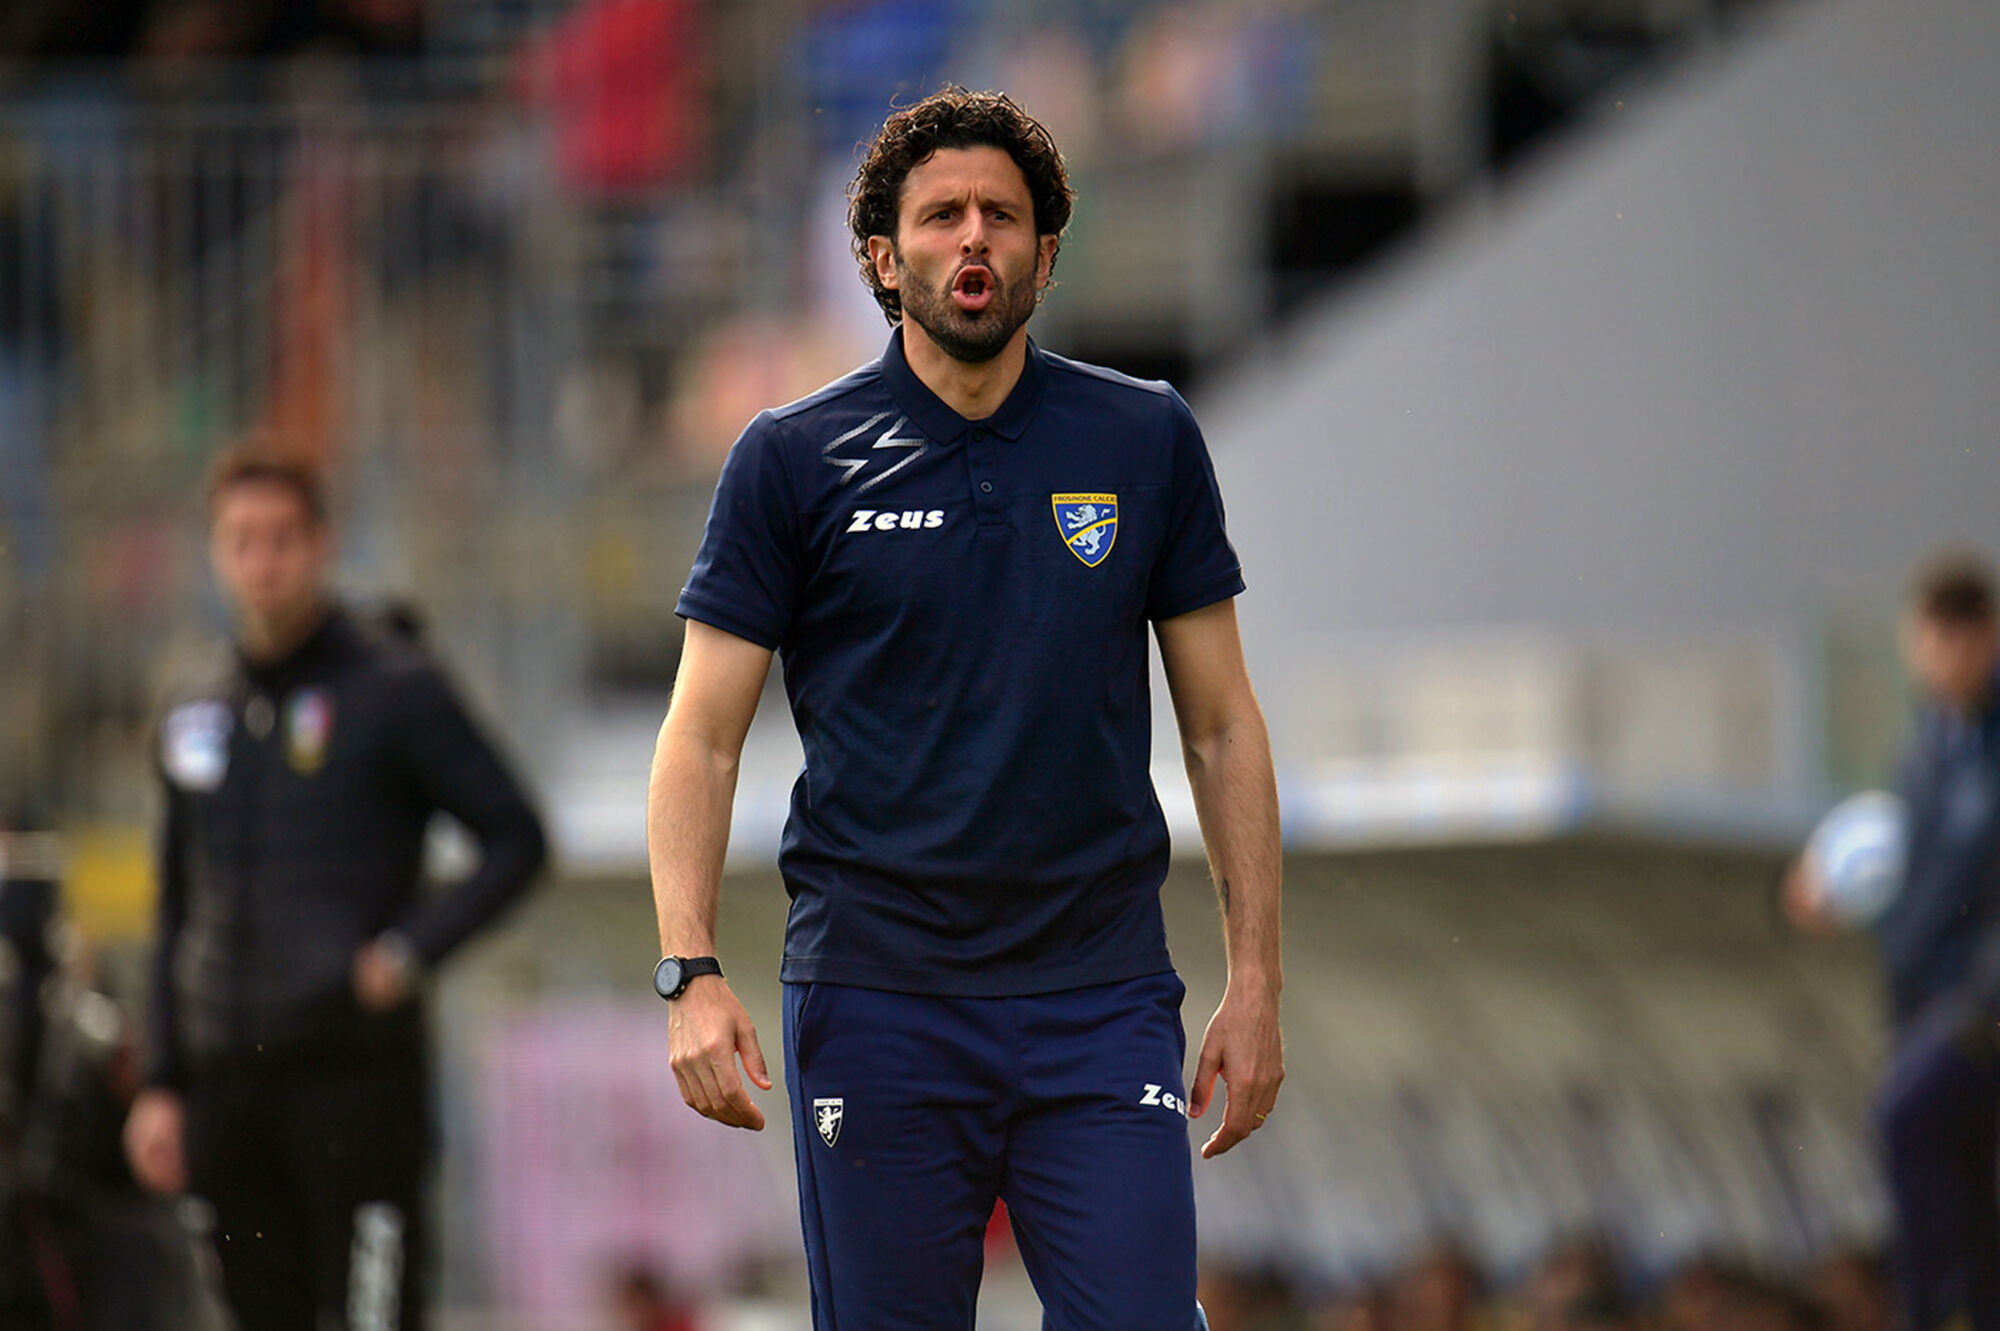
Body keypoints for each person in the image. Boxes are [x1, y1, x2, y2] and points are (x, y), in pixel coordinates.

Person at [646, 88, 1283, 1330]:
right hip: (876, 996)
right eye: (940, 215)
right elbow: (700, 735)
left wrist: (1255, 979)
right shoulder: (792, 457)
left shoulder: (1144, 436)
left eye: (1001, 213)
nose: (973, 236)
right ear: (884, 259)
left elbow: (1220, 726)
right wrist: (689, 970)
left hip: (1099, 992)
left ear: (1045, 253)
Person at [123, 443, 547, 1331]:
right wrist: (161, 1081)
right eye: (242, 540)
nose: (263, 562)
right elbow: (173, 905)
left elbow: (518, 838)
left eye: (282, 538)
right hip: (226, 1091)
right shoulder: (194, 704)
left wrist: (405, 953)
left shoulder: (394, 686)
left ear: (322, 544)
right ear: (214, 552)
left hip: (356, 1085)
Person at [1785, 549, 2000, 1331]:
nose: (1942, 653)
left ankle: (1935, 1311)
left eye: (1958, 634)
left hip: (1980, 1009)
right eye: (1930, 636)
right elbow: (1908, 876)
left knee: (1909, 1116)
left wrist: (1983, 998)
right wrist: (1825, 892)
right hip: (1925, 1002)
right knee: (1966, 1174)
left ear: (1989, 635)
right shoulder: (1926, 749)